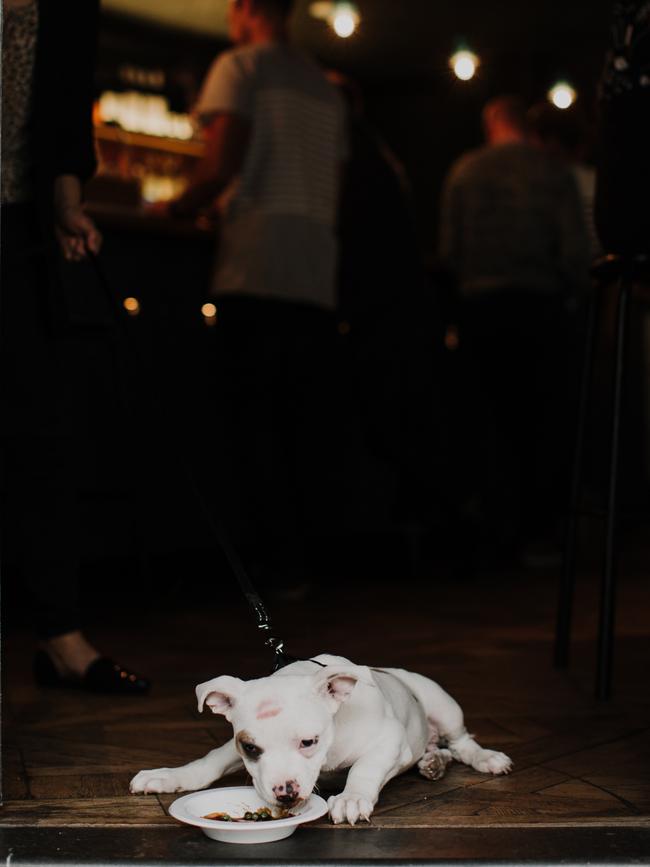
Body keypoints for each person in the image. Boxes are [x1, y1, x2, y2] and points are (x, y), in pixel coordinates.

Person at [162, 0, 347, 588]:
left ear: (245, 10)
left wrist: (174, 207)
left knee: (253, 424)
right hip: (317, 271)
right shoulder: (327, 85)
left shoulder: (240, 67)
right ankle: (311, 563)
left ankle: (265, 566)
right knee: (306, 428)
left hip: (257, 262)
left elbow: (219, 165)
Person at [1, 0, 149, 693]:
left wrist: (65, 197)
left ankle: (60, 634)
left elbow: (62, 100)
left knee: (42, 431)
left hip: (18, 224)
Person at [439, 95, 591, 566]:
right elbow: (574, 252)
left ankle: (494, 530)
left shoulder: (465, 170)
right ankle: (538, 534)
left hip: (482, 308)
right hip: (538, 306)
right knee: (540, 421)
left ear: (490, 125)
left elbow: (449, 251)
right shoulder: (551, 173)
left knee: (489, 422)